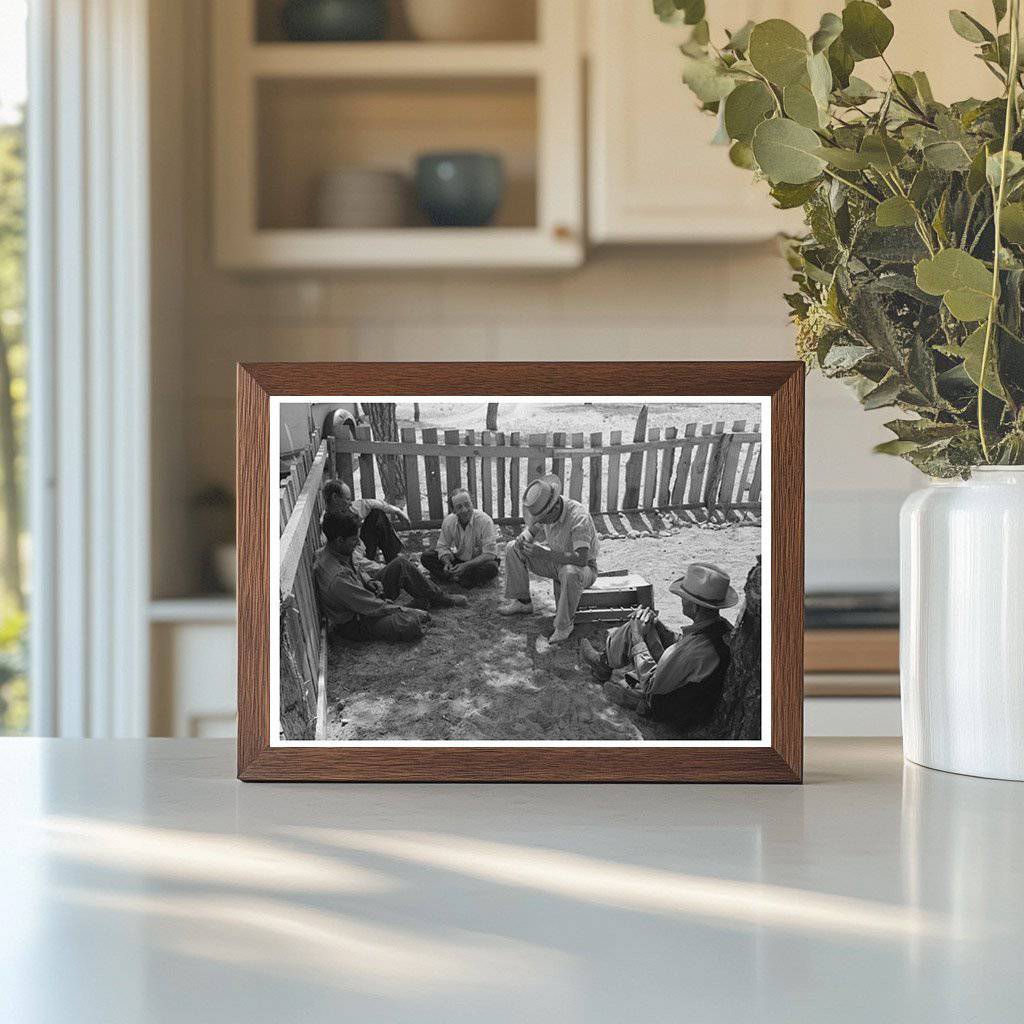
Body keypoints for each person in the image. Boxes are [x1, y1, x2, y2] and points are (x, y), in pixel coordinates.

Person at [582, 562, 736, 727]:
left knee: (636, 630)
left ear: (694, 606)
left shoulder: (697, 650)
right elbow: (684, 645)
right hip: (691, 691)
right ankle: (604, 663)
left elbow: (651, 684)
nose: (681, 601)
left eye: (683, 598)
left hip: (676, 707)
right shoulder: (721, 626)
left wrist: (637, 637)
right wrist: (661, 630)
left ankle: (631, 694)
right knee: (646, 625)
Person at [315, 510, 466, 644]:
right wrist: (405, 611)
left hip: (363, 600)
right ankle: (415, 609)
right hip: (357, 620)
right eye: (354, 540)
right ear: (340, 540)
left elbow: (357, 567)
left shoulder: (337, 550)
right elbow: (372, 607)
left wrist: (369, 580)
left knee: (400, 564)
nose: (358, 544)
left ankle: (440, 598)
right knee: (410, 624)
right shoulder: (337, 579)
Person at [497, 474, 600, 644]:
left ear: (553, 508)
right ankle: (523, 602)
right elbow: (531, 530)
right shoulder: (546, 508)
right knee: (512, 548)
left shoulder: (578, 516)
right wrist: (523, 538)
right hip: (556, 562)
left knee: (570, 571)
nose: (538, 520)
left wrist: (544, 554)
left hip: (584, 568)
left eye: (541, 517)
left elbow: (581, 559)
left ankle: (563, 626)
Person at [322, 478, 407, 573]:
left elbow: (369, 503)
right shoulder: (329, 526)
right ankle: (397, 566)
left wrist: (397, 511)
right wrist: (382, 568)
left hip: (362, 550)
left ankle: (395, 557)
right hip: (359, 563)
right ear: (335, 498)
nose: (350, 503)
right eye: (347, 499)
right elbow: (353, 560)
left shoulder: (348, 509)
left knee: (377, 514)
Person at [421, 488, 500, 588]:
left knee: (491, 567)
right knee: (427, 556)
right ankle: (462, 579)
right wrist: (447, 563)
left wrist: (466, 566)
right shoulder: (449, 521)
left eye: (467, 505)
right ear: (453, 510)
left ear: (472, 504)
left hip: (478, 562)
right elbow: (442, 546)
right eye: (459, 507)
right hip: (459, 560)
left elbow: (490, 554)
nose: (465, 510)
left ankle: (452, 578)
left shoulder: (485, 521)